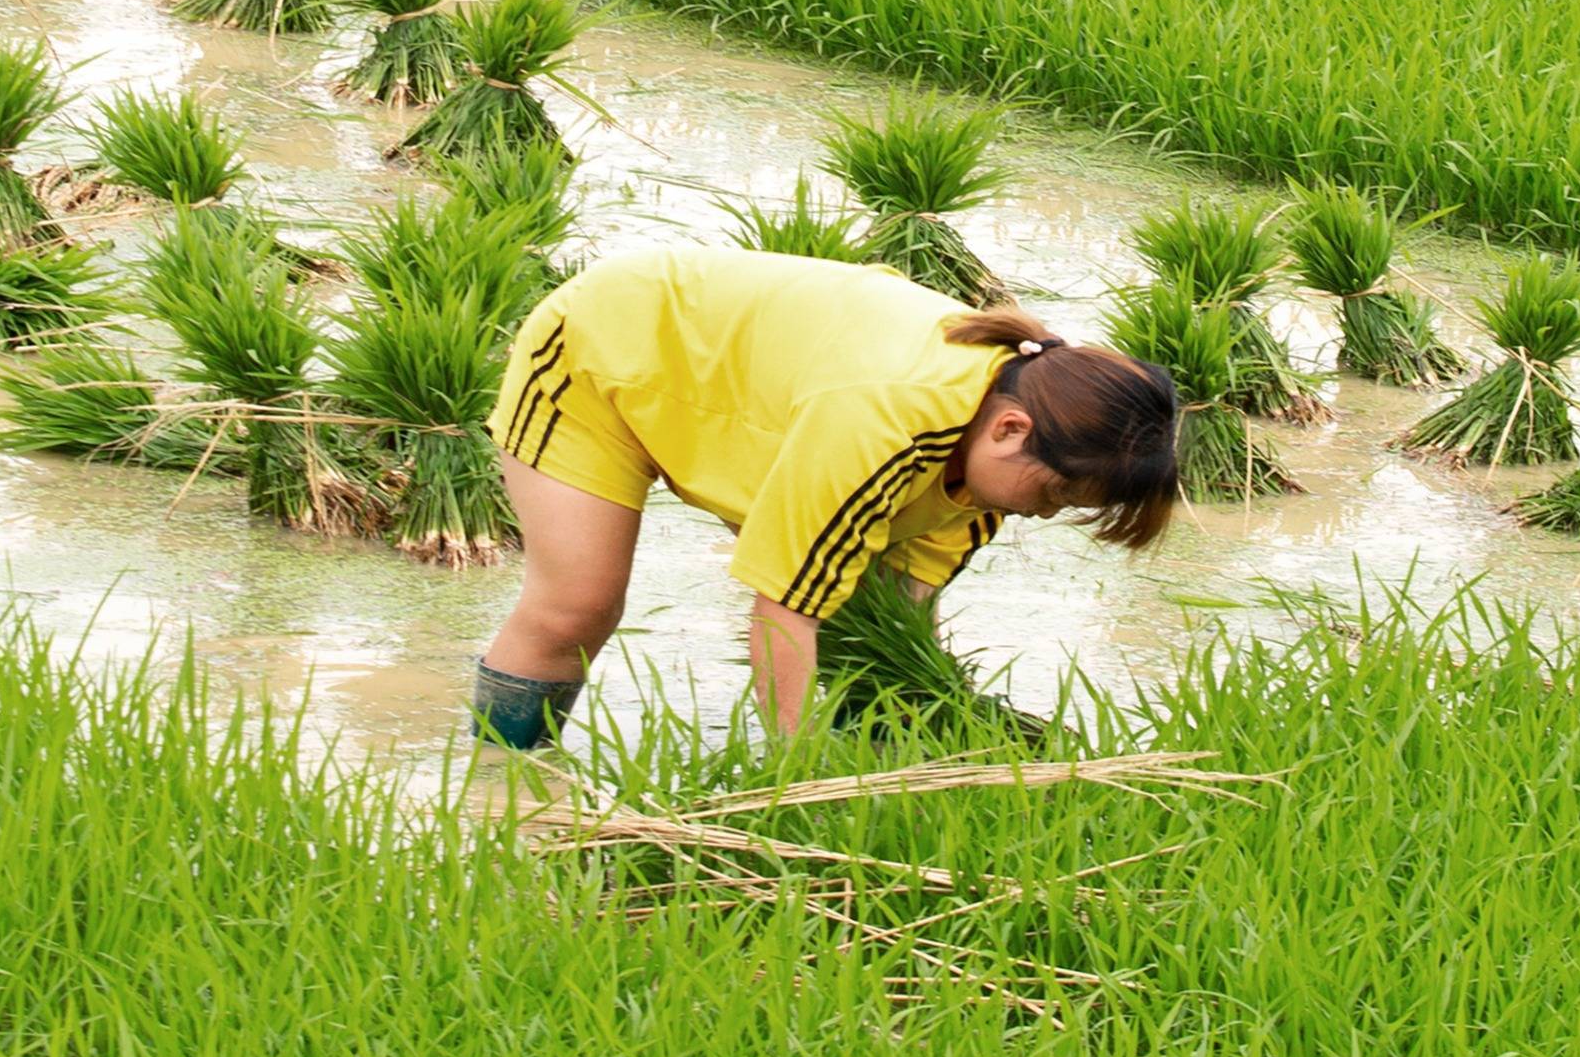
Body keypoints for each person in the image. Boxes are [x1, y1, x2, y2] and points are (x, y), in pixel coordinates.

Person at [469, 245, 1181, 746]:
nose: (1041, 514)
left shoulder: (991, 460)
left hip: (738, 399)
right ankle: (498, 779)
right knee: (577, 605)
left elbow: (890, 621)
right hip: (608, 347)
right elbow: (784, 616)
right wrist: (803, 782)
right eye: (1055, 494)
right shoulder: (886, 421)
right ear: (1010, 427)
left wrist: (919, 724)